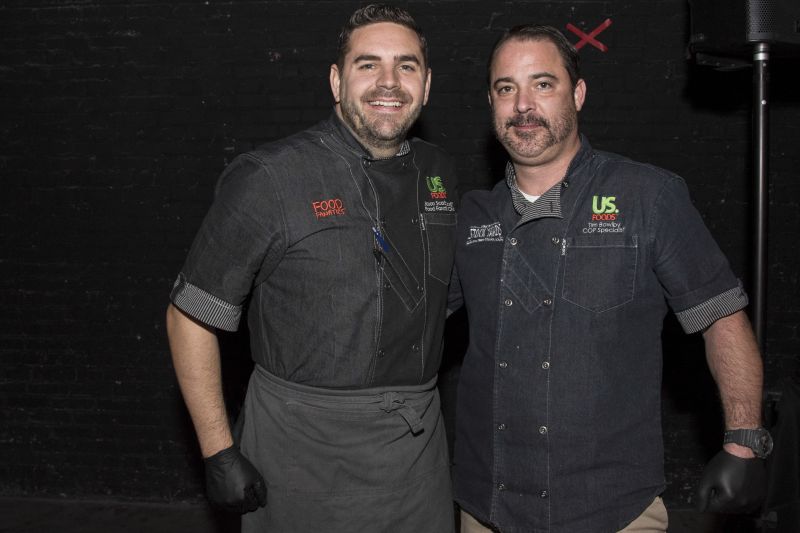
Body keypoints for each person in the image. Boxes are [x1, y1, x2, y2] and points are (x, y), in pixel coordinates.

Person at [448, 24, 771, 532]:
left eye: (543, 84)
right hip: (488, 510)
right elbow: (414, 323)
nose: (523, 105)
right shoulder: (472, 217)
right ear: (491, 102)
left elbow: (721, 318)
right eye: (506, 88)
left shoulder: (649, 198)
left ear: (577, 94)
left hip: (613, 510)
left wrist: (744, 440)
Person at [165, 4, 458, 532]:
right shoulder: (270, 178)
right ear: (336, 79)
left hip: (418, 453)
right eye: (368, 65)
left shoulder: (440, 173)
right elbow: (191, 315)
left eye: (406, 66)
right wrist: (218, 451)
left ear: (427, 83)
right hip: (303, 448)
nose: (388, 82)